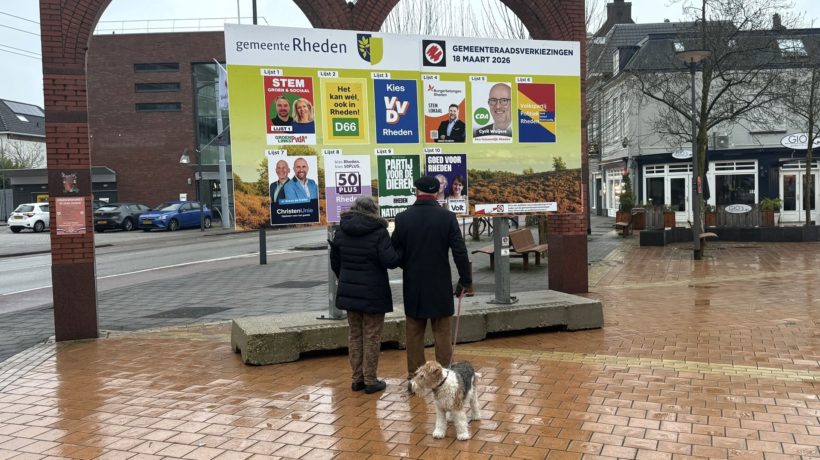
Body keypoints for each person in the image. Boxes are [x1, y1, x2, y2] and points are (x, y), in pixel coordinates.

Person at [391, 175, 472, 379]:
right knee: (442, 333)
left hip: (414, 284)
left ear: (416, 191)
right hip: (440, 284)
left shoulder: (402, 218)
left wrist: (407, 263)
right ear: (436, 193)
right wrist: (465, 279)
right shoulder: (447, 217)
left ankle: (416, 377)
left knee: (414, 335)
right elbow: (460, 251)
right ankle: (444, 377)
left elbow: (393, 254)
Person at [330, 196, 401, 394]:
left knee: (354, 334)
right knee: (372, 335)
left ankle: (357, 379)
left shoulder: (341, 230)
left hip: (349, 291)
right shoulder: (378, 231)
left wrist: (344, 278)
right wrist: (401, 250)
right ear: (373, 210)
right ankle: (370, 379)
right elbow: (390, 260)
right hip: (373, 292)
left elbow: (335, 261)